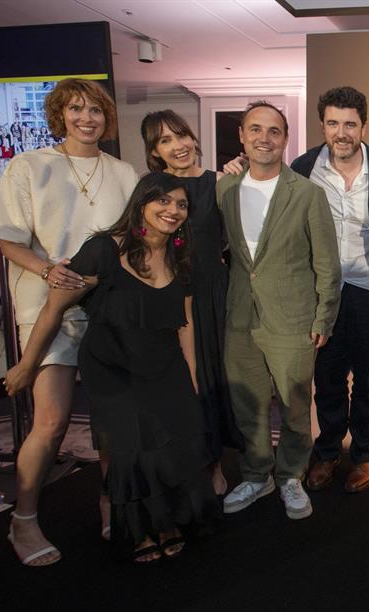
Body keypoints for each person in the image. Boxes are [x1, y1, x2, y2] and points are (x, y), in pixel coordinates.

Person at [3, 172, 221, 563]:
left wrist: (191, 376)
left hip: (162, 360)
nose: (173, 210)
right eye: (163, 201)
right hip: (112, 364)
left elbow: (185, 322)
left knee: (179, 434)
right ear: (142, 203)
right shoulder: (104, 249)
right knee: (134, 445)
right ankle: (139, 531)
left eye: (181, 205)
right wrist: (27, 364)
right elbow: (54, 308)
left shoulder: (180, 257)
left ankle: (166, 521)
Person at [0, 78, 137, 566]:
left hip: (108, 308)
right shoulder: (28, 166)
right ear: (59, 115)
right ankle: (23, 520)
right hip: (48, 305)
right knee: (51, 421)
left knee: (111, 421)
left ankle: (111, 503)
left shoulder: (123, 172)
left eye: (95, 110)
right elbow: (7, 239)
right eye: (76, 109)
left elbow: (132, 240)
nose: (86, 118)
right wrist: (49, 270)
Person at [218, 101, 341, 520]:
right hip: (240, 317)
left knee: (293, 405)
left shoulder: (306, 193)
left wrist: (323, 318)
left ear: (285, 139)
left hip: (293, 318)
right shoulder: (224, 189)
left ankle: (290, 475)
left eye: (274, 131)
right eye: (255, 129)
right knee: (247, 403)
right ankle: (257, 475)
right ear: (242, 136)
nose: (264, 138)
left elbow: (327, 264)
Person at [289, 87, 369, 494]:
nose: (341, 132)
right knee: (327, 377)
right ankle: (328, 451)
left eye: (350, 124)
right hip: (323, 292)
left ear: (364, 126)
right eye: (333, 123)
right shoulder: (303, 167)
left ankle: (364, 452)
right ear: (322, 125)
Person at [141, 109, 244, 496]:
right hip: (167, 294)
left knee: (209, 379)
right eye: (165, 140)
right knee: (176, 381)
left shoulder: (218, 181)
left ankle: (213, 463)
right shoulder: (151, 189)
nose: (177, 145)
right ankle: (178, 462)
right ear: (154, 151)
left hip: (211, 294)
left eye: (181, 135)